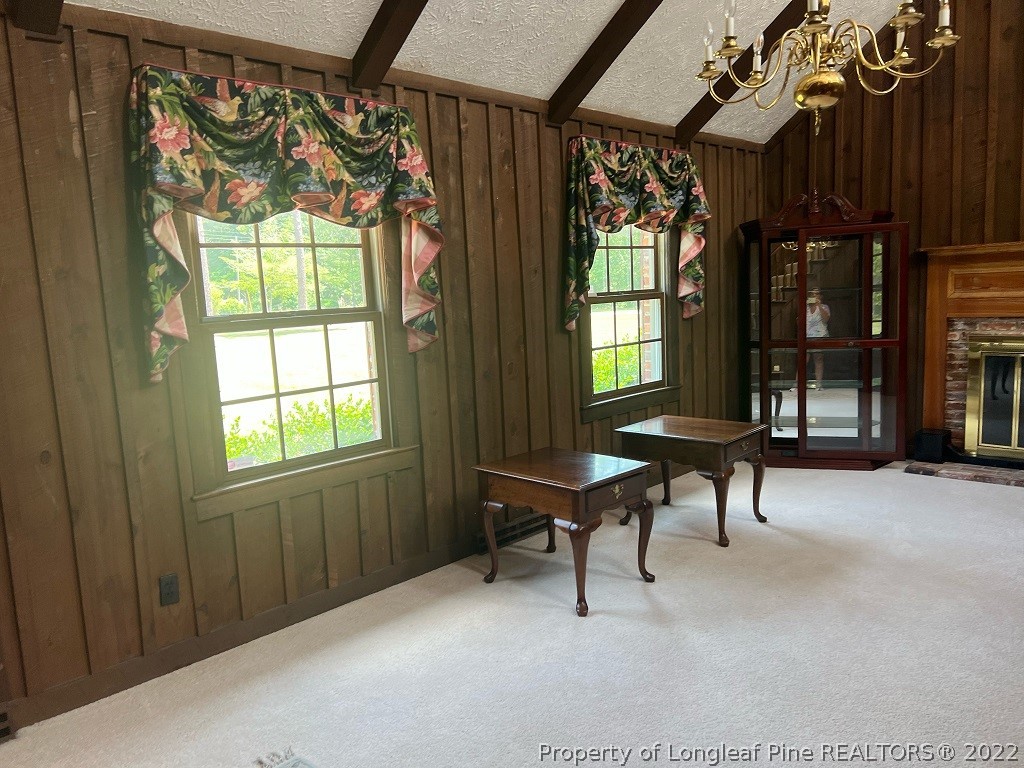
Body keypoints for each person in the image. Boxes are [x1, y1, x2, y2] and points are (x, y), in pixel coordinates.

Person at [806, 288, 830, 389]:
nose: (814, 296)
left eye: (817, 294)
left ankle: (819, 384)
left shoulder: (825, 307)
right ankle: (797, 384)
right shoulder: (805, 307)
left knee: (818, 359)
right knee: (803, 360)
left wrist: (819, 305)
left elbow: (826, 319)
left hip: (819, 336)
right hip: (806, 336)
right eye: (812, 294)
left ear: (820, 296)